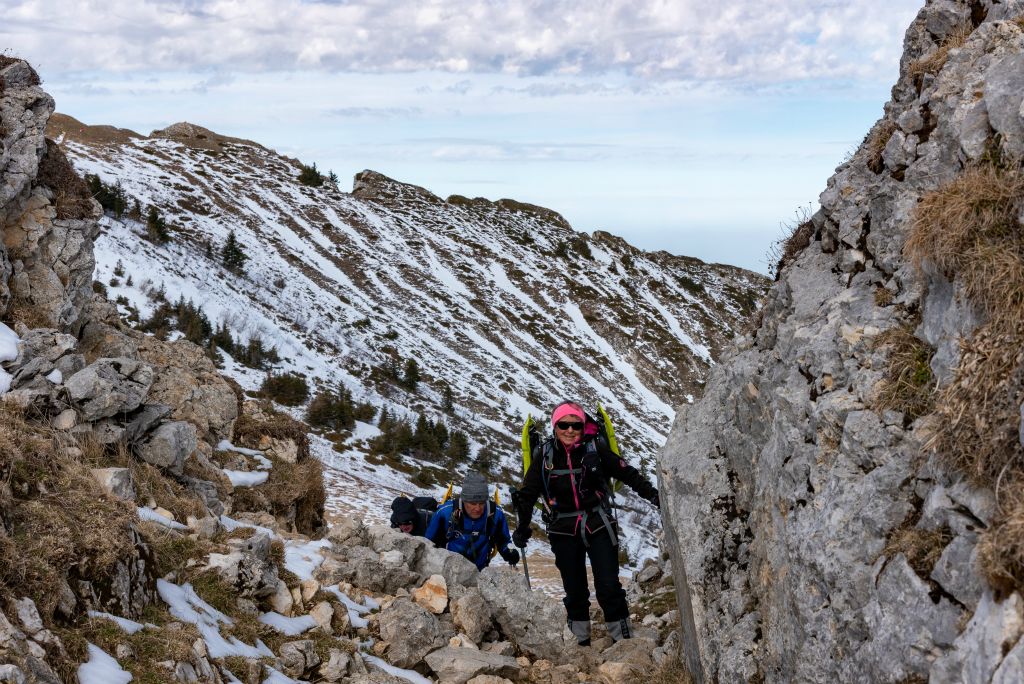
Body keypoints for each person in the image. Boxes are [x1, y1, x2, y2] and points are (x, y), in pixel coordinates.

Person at [512, 401, 659, 646]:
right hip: (562, 529)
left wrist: (654, 496)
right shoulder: (544, 456)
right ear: (554, 426)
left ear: (583, 426)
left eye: (576, 425)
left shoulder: (596, 449)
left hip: (598, 523)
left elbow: (627, 473)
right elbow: (527, 495)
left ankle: (624, 642)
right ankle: (579, 644)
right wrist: (523, 527)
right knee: (575, 590)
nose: (570, 430)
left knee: (609, 586)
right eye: (563, 425)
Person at [425, 471, 521, 571]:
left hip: (479, 571)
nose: (478, 508)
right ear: (464, 500)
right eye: (473, 503)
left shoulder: (495, 514)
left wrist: (508, 552)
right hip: (449, 571)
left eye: (482, 503)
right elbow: (428, 543)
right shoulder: (445, 513)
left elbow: (503, 541)